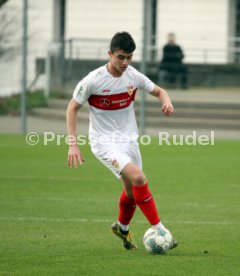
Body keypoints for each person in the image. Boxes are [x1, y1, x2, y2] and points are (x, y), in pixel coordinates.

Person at [66, 31, 177, 250]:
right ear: (110, 54)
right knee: (139, 177)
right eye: (120, 57)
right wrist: (73, 144)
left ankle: (122, 228)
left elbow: (160, 91)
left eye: (129, 57)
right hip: (104, 142)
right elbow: (72, 108)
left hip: (128, 141)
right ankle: (159, 228)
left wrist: (167, 102)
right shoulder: (93, 80)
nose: (125, 62)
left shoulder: (133, 76)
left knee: (131, 192)